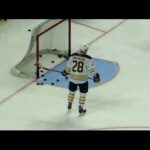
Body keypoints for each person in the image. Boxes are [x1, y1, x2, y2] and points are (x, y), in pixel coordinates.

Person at [61, 45, 100, 115]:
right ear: (86, 51)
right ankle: (81, 108)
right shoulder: (88, 58)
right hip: (83, 80)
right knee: (83, 94)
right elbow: (92, 69)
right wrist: (95, 76)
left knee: (71, 92)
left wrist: (65, 72)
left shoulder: (73, 56)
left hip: (73, 79)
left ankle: (69, 104)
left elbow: (68, 67)